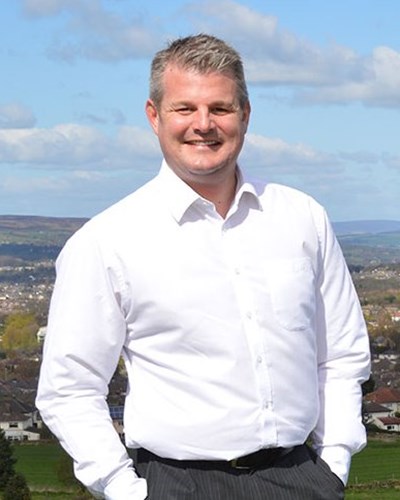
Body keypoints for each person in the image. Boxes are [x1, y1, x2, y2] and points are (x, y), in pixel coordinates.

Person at [36, 34, 371, 500]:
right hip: (176, 485)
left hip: (301, 479)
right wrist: (123, 489)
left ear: (245, 115)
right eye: (185, 108)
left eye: (220, 108)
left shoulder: (302, 218)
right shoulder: (105, 242)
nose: (203, 124)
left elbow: (340, 354)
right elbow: (68, 389)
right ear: (154, 116)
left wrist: (333, 462)